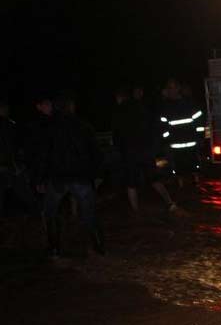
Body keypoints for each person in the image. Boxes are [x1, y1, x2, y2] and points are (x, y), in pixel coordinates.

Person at [36, 92, 104, 258]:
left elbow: (43, 155)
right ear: (72, 107)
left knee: (51, 213)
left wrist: (40, 178)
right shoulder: (83, 126)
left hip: (58, 178)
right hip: (80, 177)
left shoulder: (48, 127)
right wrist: (96, 173)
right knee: (89, 212)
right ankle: (98, 247)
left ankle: (54, 249)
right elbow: (95, 152)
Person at [112, 87, 182, 216]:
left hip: (130, 152)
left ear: (119, 98)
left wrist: (119, 150)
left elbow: (117, 135)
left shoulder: (119, 112)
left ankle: (136, 211)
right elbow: (152, 127)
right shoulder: (141, 108)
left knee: (131, 183)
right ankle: (170, 203)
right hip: (145, 151)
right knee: (154, 179)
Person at [159, 78, 203, 188]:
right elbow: (163, 125)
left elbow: (199, 120)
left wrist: (199, 137)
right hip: (176, 144)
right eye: (169, 88)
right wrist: (167, 139)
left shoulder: (189, 103)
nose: (171, 90)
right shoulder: (166, 106)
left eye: (173, 87)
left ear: (178, 88)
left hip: (191, 142)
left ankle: (197, 183)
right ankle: (181, 186)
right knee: (179, 168)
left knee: (194, 166)